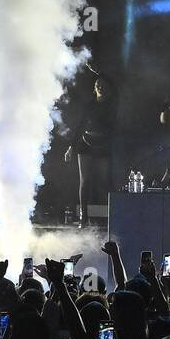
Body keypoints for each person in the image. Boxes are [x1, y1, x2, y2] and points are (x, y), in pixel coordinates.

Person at [63, 73, 117, 228]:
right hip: (86, 144)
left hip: (103, 145)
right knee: (85, 181)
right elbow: (79, 126)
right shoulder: (89, 105)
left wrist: (97, 72)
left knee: (104, 181)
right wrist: (71, 148)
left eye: (102, 84)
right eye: (97, 84)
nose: (99, 86)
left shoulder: (112, 104)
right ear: (94, 88)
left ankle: (111, 217)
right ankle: (83, 219)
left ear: (107, 88)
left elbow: (113, 85)